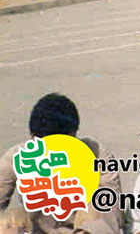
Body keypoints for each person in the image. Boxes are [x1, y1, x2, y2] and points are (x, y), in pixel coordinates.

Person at [0, 94, 123, 234]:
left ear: (74, 135)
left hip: (84, 229)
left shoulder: (97, 154)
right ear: (33, 137)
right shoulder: (17, 158)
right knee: (11, 220)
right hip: (37, 229)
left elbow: (112, 211)